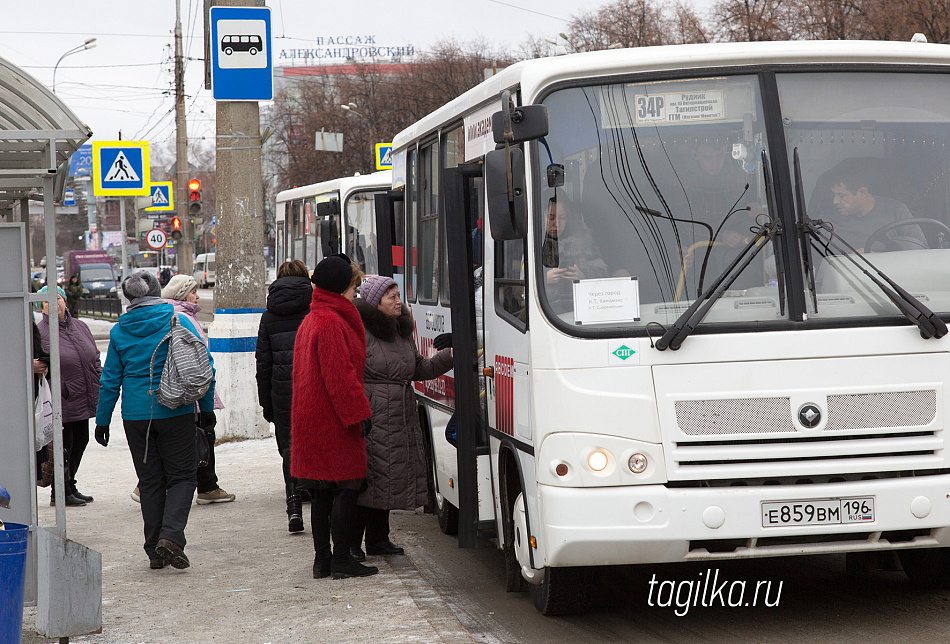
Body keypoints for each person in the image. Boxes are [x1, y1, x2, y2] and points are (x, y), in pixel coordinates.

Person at [95, 271, 216, 571]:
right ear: (158, 291)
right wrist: (207, 410)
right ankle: (172, 537)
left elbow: (110, 379)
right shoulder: (179, 320)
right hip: (176, 411)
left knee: (150, 482)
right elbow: (205, 367)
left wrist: (102, 420)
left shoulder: (119, 330)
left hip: (136, 416)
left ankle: (154, 551)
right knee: (183, 477)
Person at [351, 276, 454, 561]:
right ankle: (351, 544)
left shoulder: (400, 331)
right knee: (369, 479)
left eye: (398, 295)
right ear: (375, 303)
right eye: (392, 297)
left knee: (388, 477)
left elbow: (417, 368)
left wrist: (450, 356)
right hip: (374, 414)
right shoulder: (361, 330)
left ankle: (378, 539)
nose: (399, 301)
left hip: (399, 412)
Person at [291, 254, 377, 579]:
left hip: (313, 417)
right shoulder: (330, 321)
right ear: (341, 287)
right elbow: (340, 377)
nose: (356, 292)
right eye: (354, 286)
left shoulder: (313, 318)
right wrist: (359, 415)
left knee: (323, 491)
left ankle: (322, 561)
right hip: (334, 419)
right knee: (346, 487)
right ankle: (341, 559)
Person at [161, 274, 235, 505]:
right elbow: (201, 357)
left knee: (190, 439)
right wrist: (207, 384)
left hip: (183, 390)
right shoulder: (184, 317)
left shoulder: (169, 315)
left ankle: (206, 485)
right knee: (202, 437)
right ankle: (206, 486)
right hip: (195, 392)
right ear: (183, 295)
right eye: (193, 291)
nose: (197, 295)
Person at [255, 259, 313, 533]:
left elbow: (263, 363)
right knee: (315, 441)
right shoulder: (314, 307)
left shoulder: (269, 315)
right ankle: (313, 488)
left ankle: (293, 507)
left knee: (289, 447)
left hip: (281, 390)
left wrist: (266, 403)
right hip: (312, 386)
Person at [36, 285, 101, 507]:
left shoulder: (81, 327)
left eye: (57, 298)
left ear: (65, 301)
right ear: (40, 307)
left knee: (81, 441)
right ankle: (60, 491)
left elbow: (95, 358)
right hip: (60, 399)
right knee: (65, 446)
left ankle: (70, 484)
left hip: (84, 396)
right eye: (46, 301)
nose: (53, 304)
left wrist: (98, 380)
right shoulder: (40, 332)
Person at [828, 160, 925, 253]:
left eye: (841, 195)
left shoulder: (896, 210)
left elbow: (921, 252)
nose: (835, 201)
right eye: (834, 195)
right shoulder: (827, 222)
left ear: (862, 192)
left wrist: (878, 258)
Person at [541, 196, 609, 314]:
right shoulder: (532, 244)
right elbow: (518, 287)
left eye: (562, 218)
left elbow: (604, 278)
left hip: (583, 312)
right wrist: (543, 279)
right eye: (551, 218)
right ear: (541, 217)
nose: (557, 223)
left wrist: (584, 275)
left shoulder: (584, 242)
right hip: (544, 314)